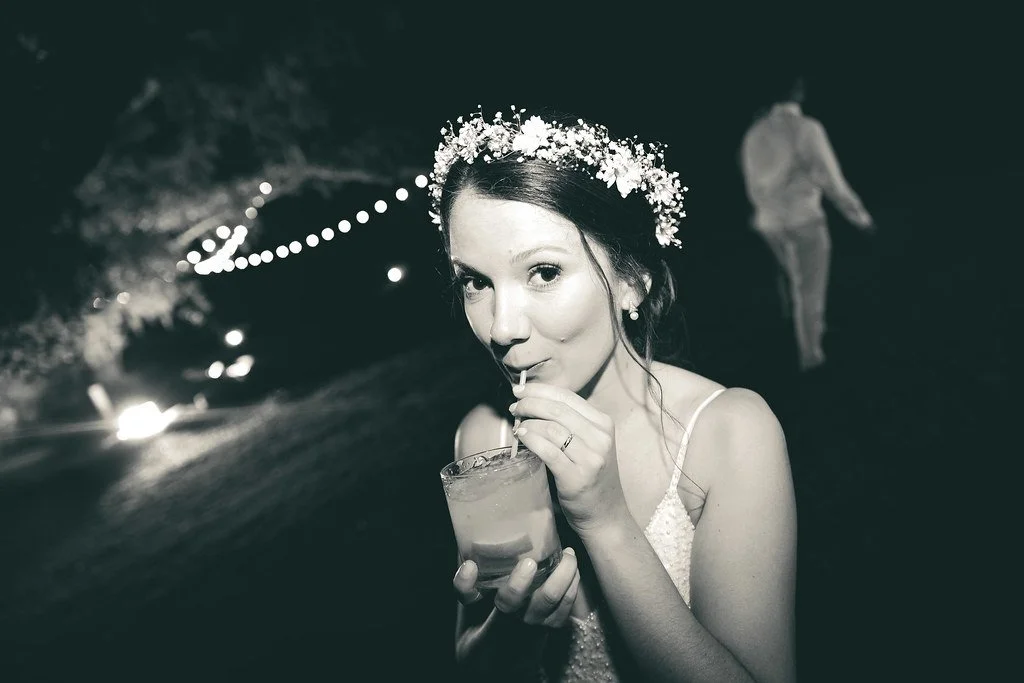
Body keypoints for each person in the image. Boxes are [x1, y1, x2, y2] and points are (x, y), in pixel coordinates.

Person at [430, 106, 798, 682]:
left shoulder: (730, 434)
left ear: (632, 277)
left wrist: (605, 520)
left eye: (544, 272)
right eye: (475, 282)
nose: (502, 327)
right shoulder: (486, 442)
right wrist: (506, 637)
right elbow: (476, 666)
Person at [739, 74, 877, 372]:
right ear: (797, 90)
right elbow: (832, 180)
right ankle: (811, 358)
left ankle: (794, 339)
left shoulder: (754, 133)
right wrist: (860, 217)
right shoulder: (805, 129)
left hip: (769, 223)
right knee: (809, 289)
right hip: (803, 220)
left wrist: (764, 213)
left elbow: (752, 186)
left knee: (791, 281)